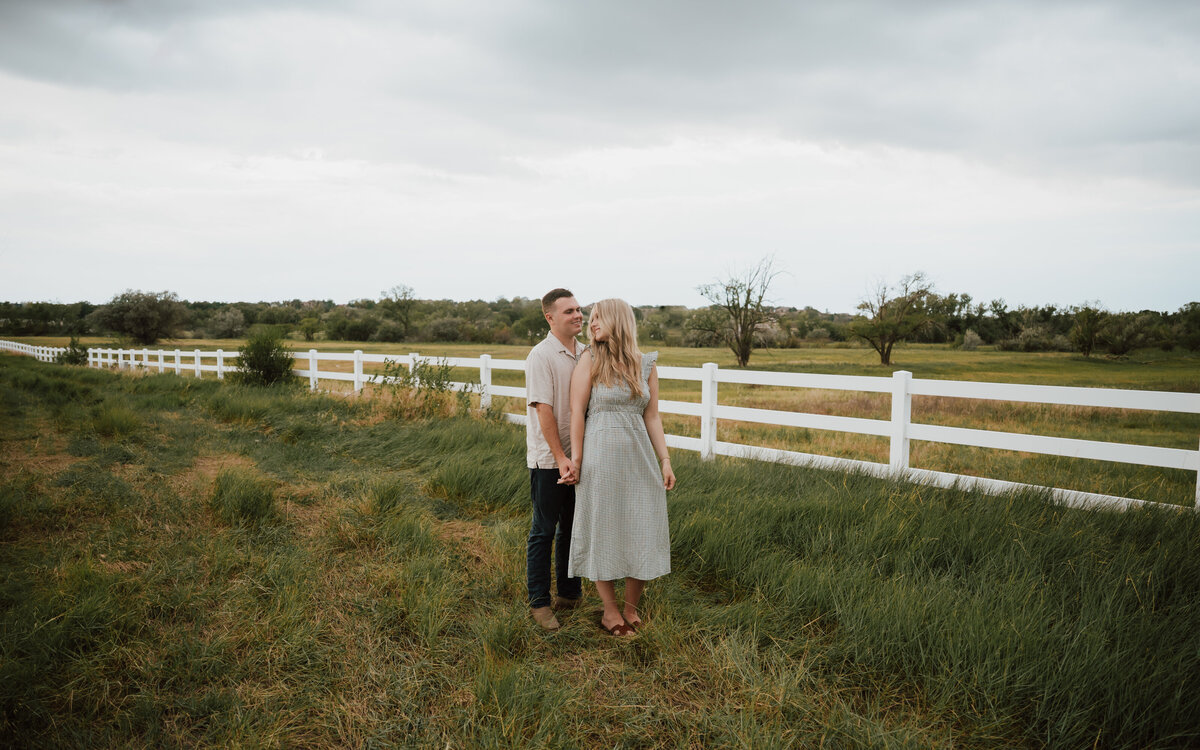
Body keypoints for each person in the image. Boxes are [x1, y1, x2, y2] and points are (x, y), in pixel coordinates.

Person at [566, 298, 676, 637]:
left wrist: (665, 460)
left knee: (642, 528)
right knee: (604, 530)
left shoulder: (646, 364)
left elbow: (652, 416)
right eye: (591, 318)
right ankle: (610, 612)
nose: (591, 323)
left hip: (639, 460)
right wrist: (578, 460)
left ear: (618, 320)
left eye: (598, 318)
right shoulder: (590, 358)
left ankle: (631, 608)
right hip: (600, 460)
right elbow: (576, 412)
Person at [524, 288, 586, 631]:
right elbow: (543, 409)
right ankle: (540, 603)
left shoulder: (586, 352)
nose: (577, 315)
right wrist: (561, 457)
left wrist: (576, 457)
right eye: (568, 312)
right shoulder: (542, 355)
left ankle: (569, 593)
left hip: (580, 457)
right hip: (550, 460)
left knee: (572, 528)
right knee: (544, 530)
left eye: (578, 309)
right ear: (550, 318)